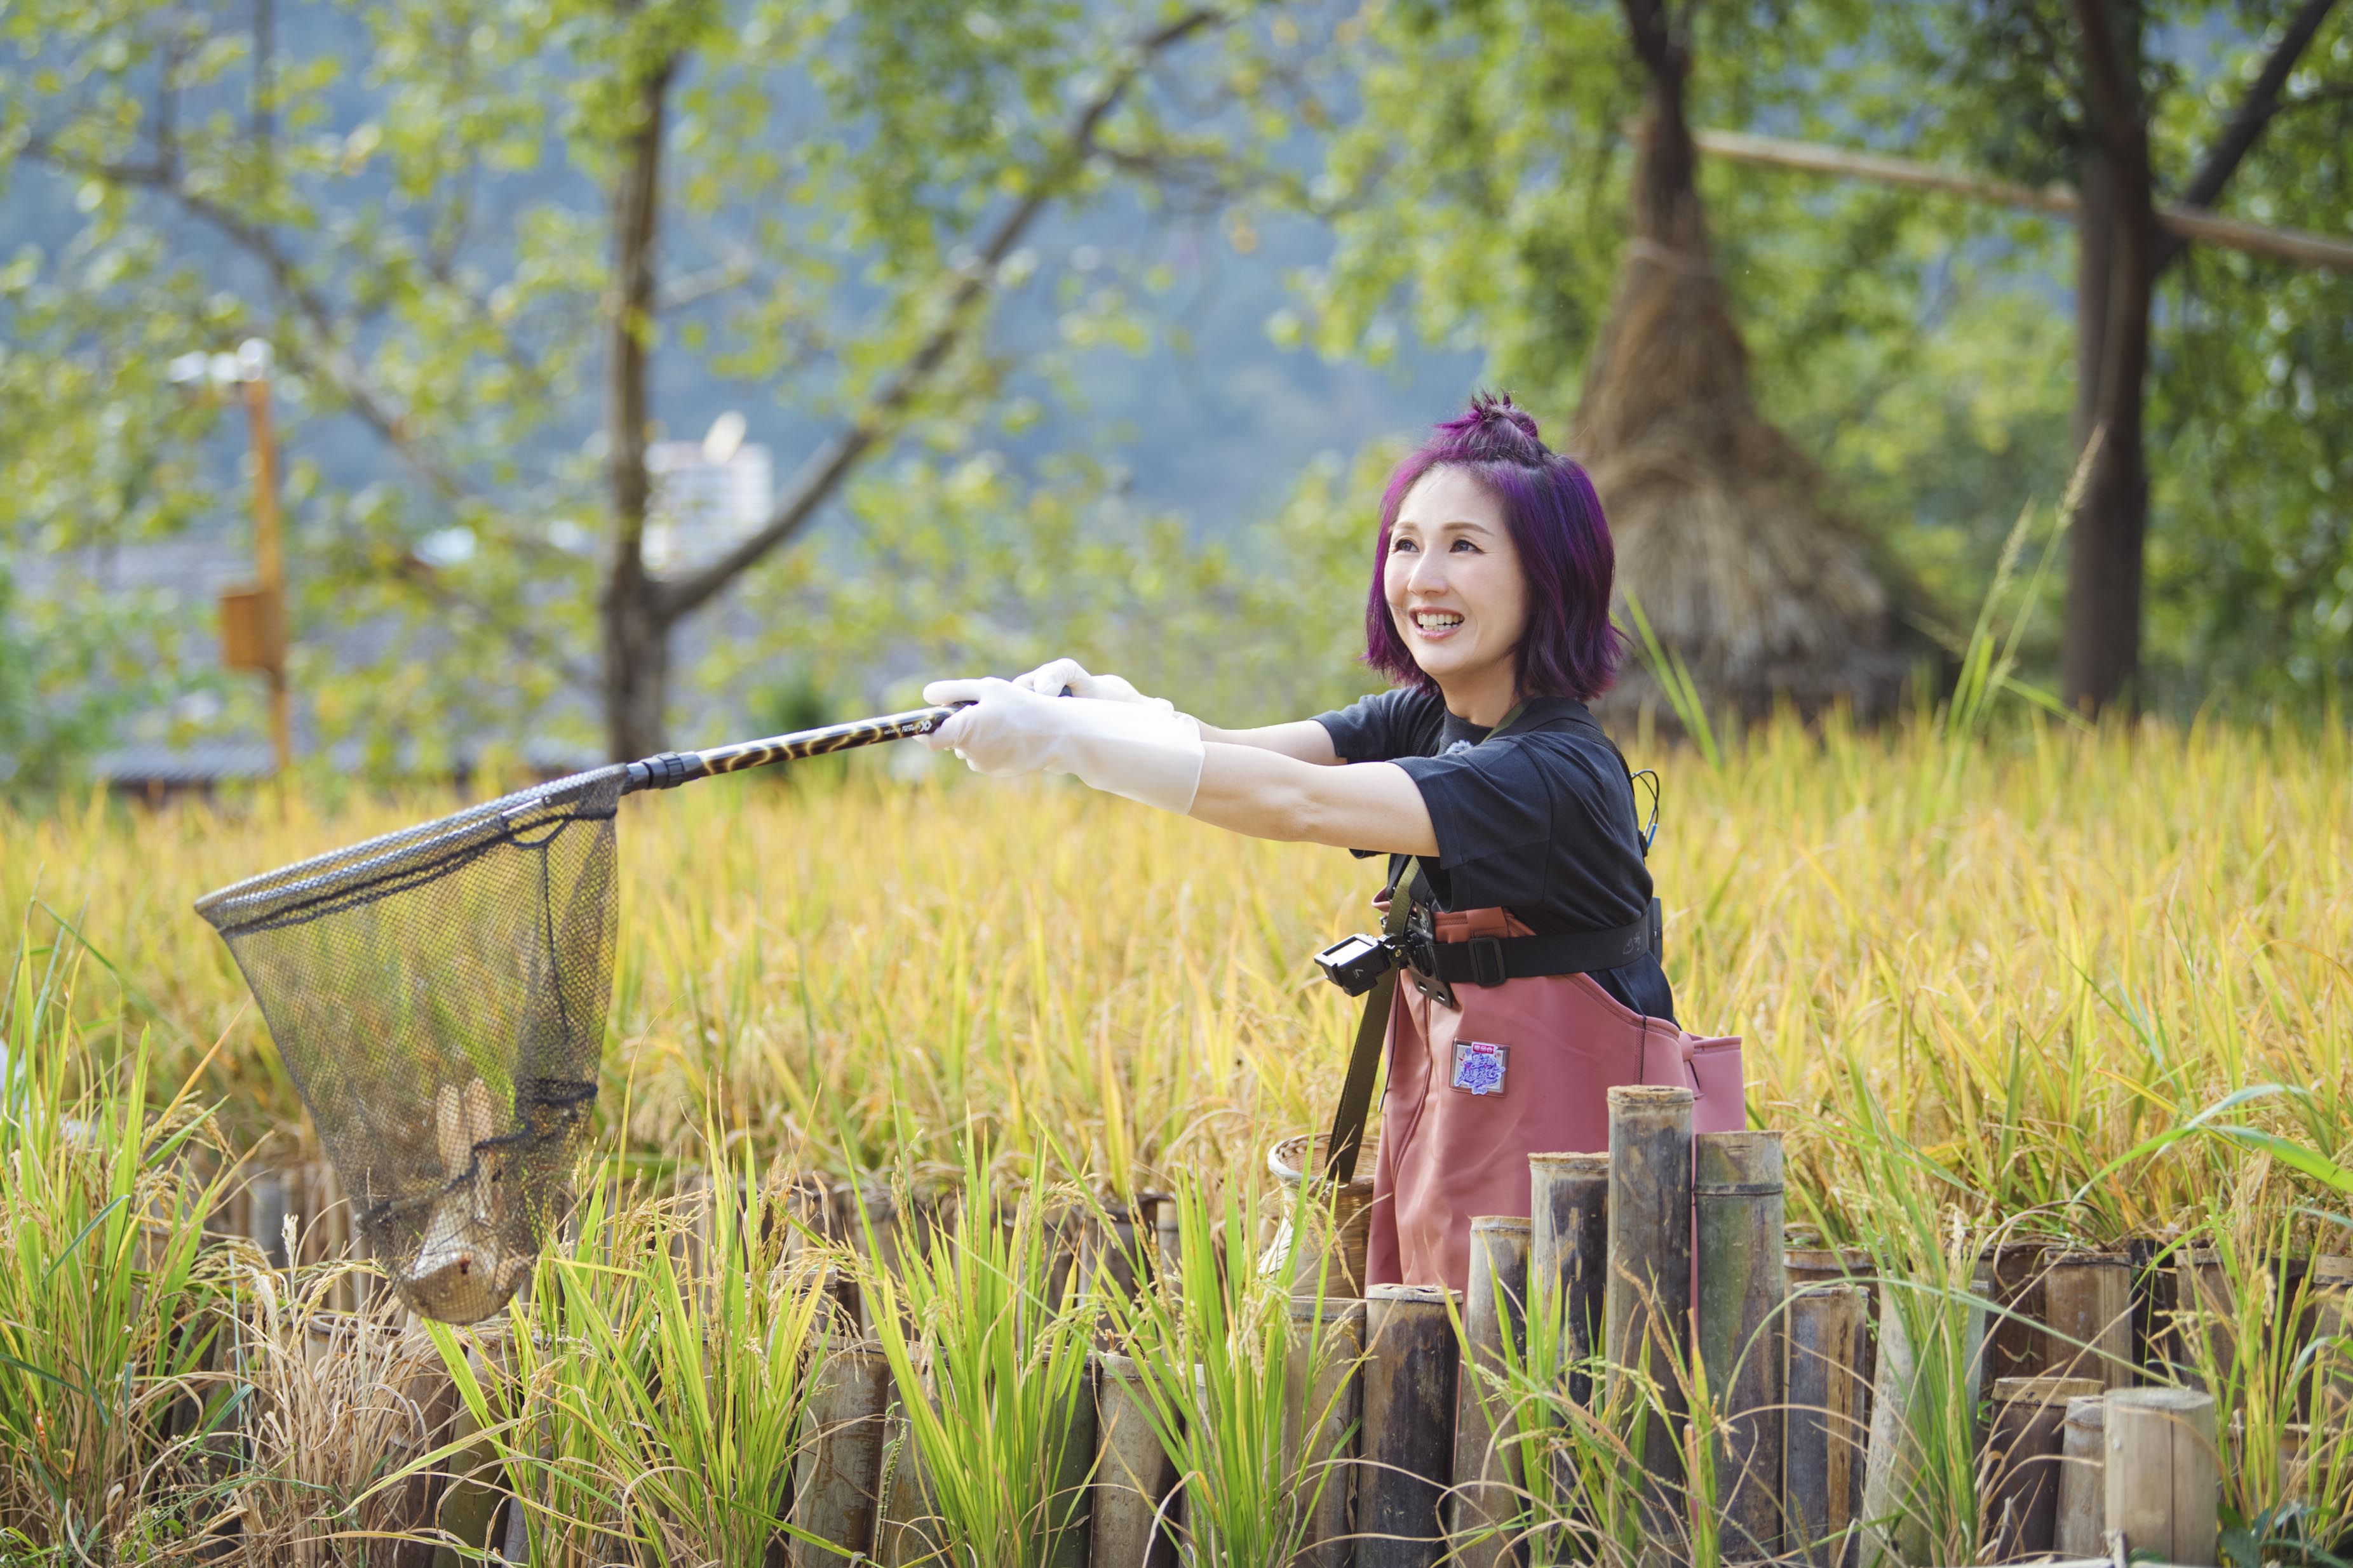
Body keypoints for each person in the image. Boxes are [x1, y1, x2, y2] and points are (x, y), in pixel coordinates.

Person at [919, 392, 1739, 1294]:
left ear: (1550, 578)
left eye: (1465, 547)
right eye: (1406, 544)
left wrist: (1062, 741)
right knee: (1433, 1332)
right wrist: (1103, 708)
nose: (1423, 577)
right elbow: (1235, 752)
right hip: (1461, 1113)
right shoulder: (1433, 713)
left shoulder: (1549, 774)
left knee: (1534, 1364)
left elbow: (1299, 801)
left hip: (1572, 1164)